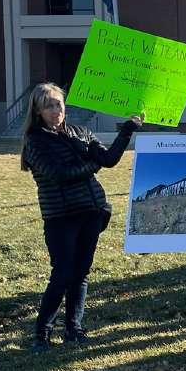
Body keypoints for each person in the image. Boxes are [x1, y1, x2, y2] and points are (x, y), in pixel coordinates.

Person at [21, 83, 142, 352]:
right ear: (38, 111)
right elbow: (59, 174)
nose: (55, 110)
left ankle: (73, 329)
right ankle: (42, 334)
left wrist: (127, 130)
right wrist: (93, 164)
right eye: (48, 106)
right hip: (61, 216)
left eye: (58, 104)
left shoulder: (80, 133)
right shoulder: (35, 141)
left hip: (91, 212)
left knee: (81, 274)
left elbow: (109, 158)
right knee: (62, 274)